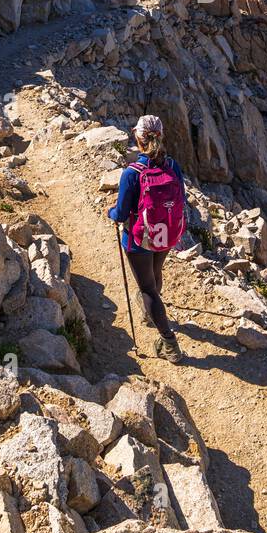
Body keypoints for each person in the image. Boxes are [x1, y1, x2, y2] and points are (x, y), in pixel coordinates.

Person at [108, 114, 185, 364]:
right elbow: (181, 200)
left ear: (138, 138)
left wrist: (110, 212)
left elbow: (120, 214)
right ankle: (153, 314)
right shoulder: (173, 166)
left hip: (140, 238)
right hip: (168, 232)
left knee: (147, 288)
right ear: (160, 136)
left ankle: (169, 343)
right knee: (155, 272)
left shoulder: (132, 172)